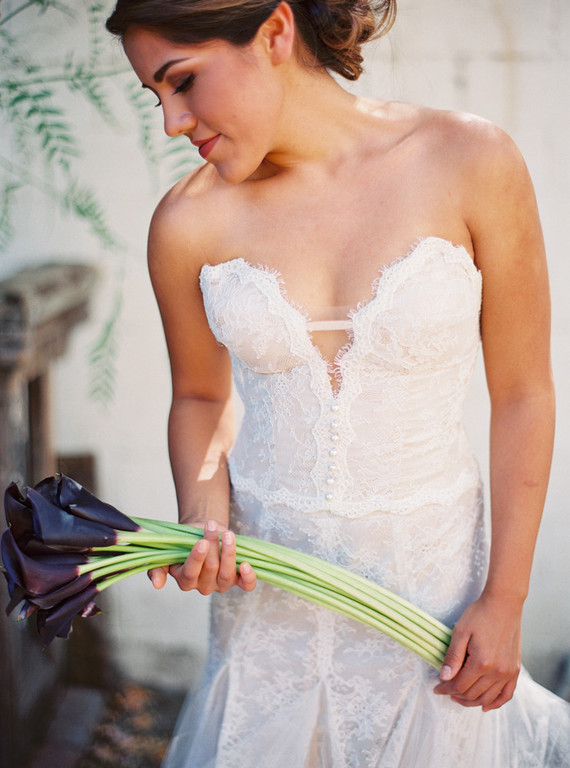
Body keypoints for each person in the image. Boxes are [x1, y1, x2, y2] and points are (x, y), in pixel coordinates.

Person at [106, 0, 570, 765]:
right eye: (155, 97)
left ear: (276, 31)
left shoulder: (471, 159)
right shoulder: (186, 222)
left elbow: (524, 391)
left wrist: (505, 598)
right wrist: (204, 517)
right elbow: (199, 397)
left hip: (434, 597)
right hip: (268, 610)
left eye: (182, 82)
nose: (173, 122)